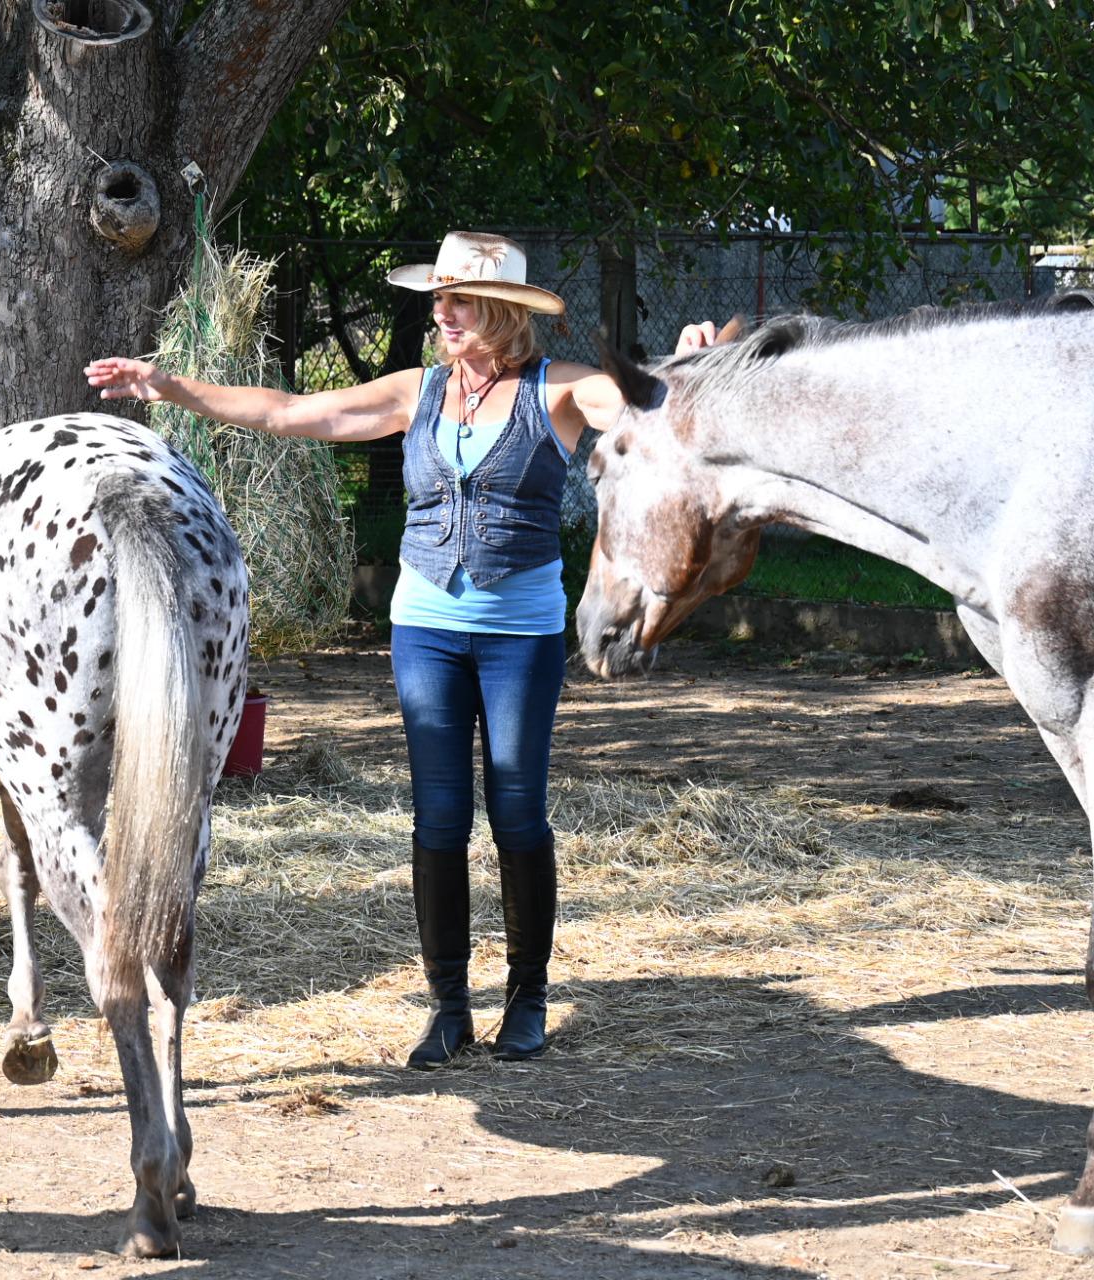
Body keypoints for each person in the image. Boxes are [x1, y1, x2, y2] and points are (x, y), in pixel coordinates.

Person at [86, 231, 717, 1068]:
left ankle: (526, 999)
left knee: (518, 811)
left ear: (502, 311)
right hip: (424, 627)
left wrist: (687, 366)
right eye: (439, 298)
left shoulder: (557, 389)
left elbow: (644, 405)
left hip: (520, 633)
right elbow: (289, 412)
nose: (442, 312)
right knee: (439, 816)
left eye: (459, 300)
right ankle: (448, 1007)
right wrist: (171, 388)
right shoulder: (417, 391)